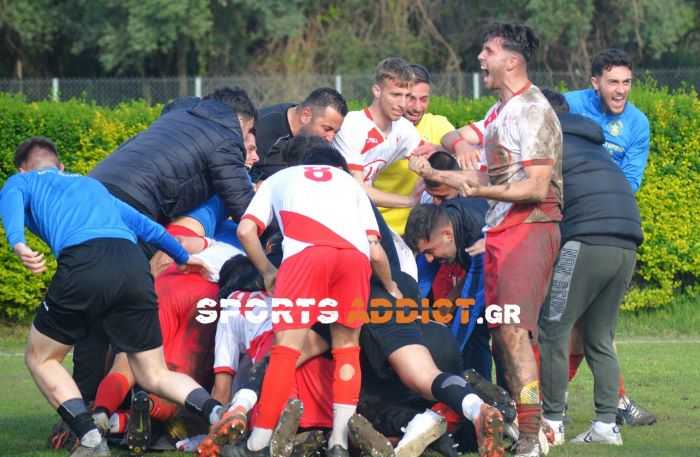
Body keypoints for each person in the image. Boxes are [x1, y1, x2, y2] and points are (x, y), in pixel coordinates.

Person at [0, 137, 230, 457]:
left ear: (23, 168)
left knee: (41, 357)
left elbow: (10, 206)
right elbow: (146, 227)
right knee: (153, 372)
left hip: (84, 262)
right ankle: (218, 412)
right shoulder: (92, 187)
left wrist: (18, 244)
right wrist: (181, 256)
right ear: (61, 166)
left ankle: (90, 437)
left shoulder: (20, 182)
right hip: (132, 265)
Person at [412, 23, 563, 457]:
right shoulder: (500, 111)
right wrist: (442, 175)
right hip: (501, 230)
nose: (480, 59)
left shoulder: (532, 110)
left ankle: (534, 439)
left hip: (530, 226)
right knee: (501, 335)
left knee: (514, 333)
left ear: (511, 60)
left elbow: (534, 186)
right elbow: (487, 172)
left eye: (488, 51)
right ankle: (523, 425)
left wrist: (475, 189)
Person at [226, 145, 398, 457]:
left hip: (305, 256)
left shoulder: (278, 179)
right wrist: (391, 285)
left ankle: (259, 442)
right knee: (347, 349)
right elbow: (375, 250)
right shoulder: (350, 183)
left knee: (286, 350)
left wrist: (267, 270)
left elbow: (245, 230)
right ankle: (339, 442)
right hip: (353, 258)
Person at [536, 89, 643, 446]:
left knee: (553, 329)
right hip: (627, 242)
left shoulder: (549, 144)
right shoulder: (594, 145)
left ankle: (551, 422)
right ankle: (605, 427)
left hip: (587, 240)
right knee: (599, 337)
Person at [90, 87, 258, 253]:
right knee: (134, 272)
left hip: (94, 189)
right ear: (240, 120)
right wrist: (275, 232)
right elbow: (242, 204)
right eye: (249, 130)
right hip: (136, 201)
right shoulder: (226, 136)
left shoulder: (175, 118)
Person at [373, 64, 455, 234]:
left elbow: (464, 158)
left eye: (424, 99)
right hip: (383, 228)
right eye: (411, 98)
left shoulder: (439, 125)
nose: (417, 107)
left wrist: (445, 149)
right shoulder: (372, 130)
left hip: (427, 230)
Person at [332, 57, 424, 208]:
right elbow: (356, 189)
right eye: (395, 95)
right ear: (377, 91)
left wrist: (428, 168)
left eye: (407, 96)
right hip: (332, 203)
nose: (403, 104)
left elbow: (430, 160)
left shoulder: (405, 129)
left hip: (361, 206)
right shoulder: (351, 125)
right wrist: (409, 201)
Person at [565, 48, 650, 192]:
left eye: (626, 82)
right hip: (568, 196)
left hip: (609, 199)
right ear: (596, 83)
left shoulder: (638, 123)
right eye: (613, 82)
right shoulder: (569, 104)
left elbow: (631, 180)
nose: (621, 90)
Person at [250, 88, 348, 181]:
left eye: (335, 132)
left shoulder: (312, 136)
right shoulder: (262, 130)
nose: (330, 138)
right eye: (327, 129)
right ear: (306, 115)